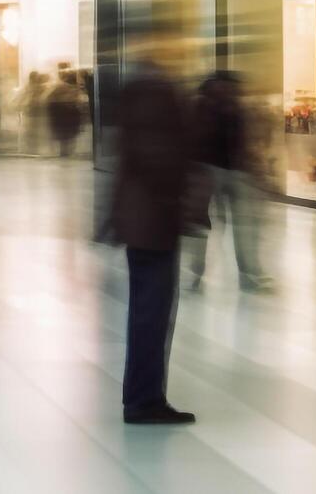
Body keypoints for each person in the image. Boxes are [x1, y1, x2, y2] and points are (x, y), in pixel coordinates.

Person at [108, 54, 201, 425]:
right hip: (154, 224)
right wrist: (180, 200)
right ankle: (144, 401)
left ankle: (142, 397)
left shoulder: (136, 90)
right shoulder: (156, 94)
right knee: (152, 314)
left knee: (147, 313)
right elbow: (161, 161)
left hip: (142, 222)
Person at [185, 71, 273, 293]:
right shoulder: (234, 108)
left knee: (203, 224)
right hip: (227, 171)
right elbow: (242, 141)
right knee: (240, 226)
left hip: (210, 170)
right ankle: (245, 273)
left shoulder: (201, 106)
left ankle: (197, 272)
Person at [46, 69, 88, 159]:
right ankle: (65, 153)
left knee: (65, 135)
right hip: (66, 114)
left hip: (65, 114)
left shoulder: (62, 87)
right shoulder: (71, 88)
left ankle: (64, 153)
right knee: (67, 135)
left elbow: (49, 98)